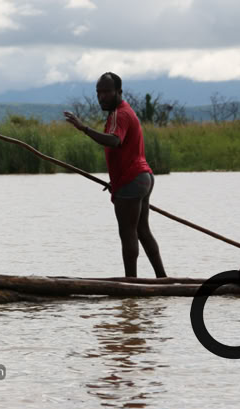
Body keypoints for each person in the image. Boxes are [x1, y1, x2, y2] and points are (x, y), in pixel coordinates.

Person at [64, 72, 167, 278]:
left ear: (119, 92)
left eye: (107, 92)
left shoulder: (120, 114)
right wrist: (116, 180)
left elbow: (114, 141)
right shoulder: (119, 113)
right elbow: (125, 150)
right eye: (98, 92)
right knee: (142, 232)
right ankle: (163, 279)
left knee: (128, 234)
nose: (102, 97)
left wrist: (83, 128)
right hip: (141, 178)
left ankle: (131, 284)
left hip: (133, 180)